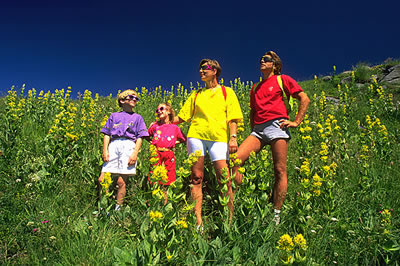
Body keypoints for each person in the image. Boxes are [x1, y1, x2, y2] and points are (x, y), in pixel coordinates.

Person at [233, 51, 310, 224]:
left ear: (274, 65)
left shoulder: (283, 80)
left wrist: (296, 121)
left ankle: (276, 213)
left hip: (278, 126)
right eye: (260, 59)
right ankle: (239, 200)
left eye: (266, 60)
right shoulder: (255, 87)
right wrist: (254, 127)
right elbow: (253, 110)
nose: (262, 61)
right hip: (258, 130)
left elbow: (304, 98)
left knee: (280, 170)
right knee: (235, 160)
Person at [173, 59, 243, 228]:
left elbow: (233, 117)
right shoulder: (196, 94)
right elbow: (182, 117)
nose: (201, 71)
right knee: (196, 178)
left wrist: (233, 137)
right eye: (200, 69)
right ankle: (198, 222)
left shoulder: (227, 92)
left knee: (224, 178)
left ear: (215, 71)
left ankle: (228, 220)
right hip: (196, 136)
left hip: (218, 138)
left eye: (205, 68)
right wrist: (164, 122)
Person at [98, 89, 149, 211]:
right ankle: (102, 208)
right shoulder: (114, 116)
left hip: (128, 145)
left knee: (121, 182)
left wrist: (135, 153)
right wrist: (105, 150)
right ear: (122, 100)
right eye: (131, 97)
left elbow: (140, 137)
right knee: (102, 179)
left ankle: (117, 210)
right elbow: (106, 134)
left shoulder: (138, 117)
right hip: (114, 144)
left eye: (136, 98)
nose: (134, 99)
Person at [148, 102, 186, 203]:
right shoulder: (155, 126)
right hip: (156, 153)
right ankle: (154, 200)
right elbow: (146, 135)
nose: (159, 111)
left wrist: (173, 142)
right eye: (157, 110)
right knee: (154, 174)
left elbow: (183, 139)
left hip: (168, 153)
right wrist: (152, 142)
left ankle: (165, 201)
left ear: (169, 111)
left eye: (161, 109)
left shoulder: (175, 128)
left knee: (168, 176)